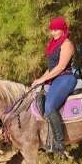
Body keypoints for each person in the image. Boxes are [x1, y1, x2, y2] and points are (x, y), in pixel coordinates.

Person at [31, 17, 76, 155]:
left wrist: (43, 80)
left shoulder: (67, 44)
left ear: (63, 30)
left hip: (65, 78)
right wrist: (40, 79)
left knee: (49, 107)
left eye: (56, 30)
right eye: (51, 30)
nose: (53, 33)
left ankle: (59, 144)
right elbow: (51, 68)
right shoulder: (55, 45)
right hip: (55, 78)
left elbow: (61, 66)